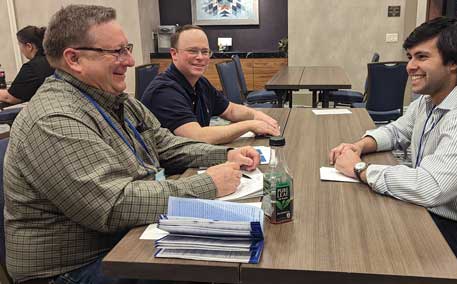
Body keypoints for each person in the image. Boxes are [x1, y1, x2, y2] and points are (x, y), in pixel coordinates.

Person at [3, 5, 260, 284]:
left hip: (120, 241)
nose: (130, 60)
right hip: (70, 269)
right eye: (117, 52)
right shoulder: (55, 118)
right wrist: (208, 184)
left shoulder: (115, 100)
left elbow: (166, 144)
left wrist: (226, 154)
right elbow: (112, 205)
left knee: (224, 254)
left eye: (127, 48)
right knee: (204, 268)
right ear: (74, 59)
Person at [330, 17, 457, 275]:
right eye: (410, 57)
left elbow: (430, 188)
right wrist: (360, 145)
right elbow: (397, 130)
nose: (410, 66)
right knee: (359, 222)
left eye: (422, 57)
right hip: (443, 213)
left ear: (454, 62)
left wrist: (360, 169)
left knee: (364, 246)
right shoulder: (432, 98)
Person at [141, 25, 280, 145]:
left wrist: (256, 115)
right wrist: (250, 125)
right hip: (170, 172)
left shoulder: (200, 82)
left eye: (205, 51)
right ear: (174, 54)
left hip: (194, 158)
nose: (200, 57)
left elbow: (230, 110)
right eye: (193, 51)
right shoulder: (165, 91)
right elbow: (198, 137)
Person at [0, 26, 54, 105]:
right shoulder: (53, 59)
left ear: (29, 46)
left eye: (20, 45)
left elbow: (9, 98)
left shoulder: (32, 68)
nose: (21, 50)